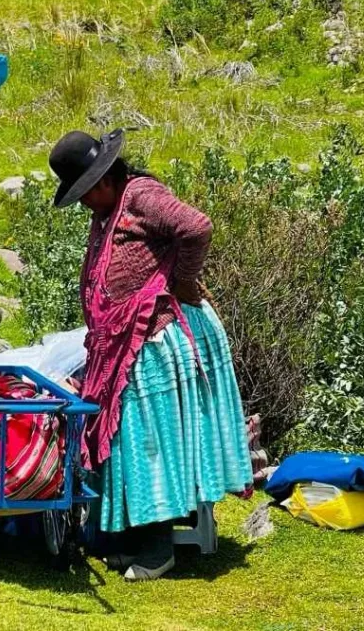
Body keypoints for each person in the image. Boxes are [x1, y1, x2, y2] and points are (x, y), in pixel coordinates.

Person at [48, 129, 252, 582]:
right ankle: (130, 537)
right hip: (125, 343)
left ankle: (158, 548)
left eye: (85, 193)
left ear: (104, 180)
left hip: (159, 337)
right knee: (127, 441)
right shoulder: (109, 210)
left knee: (148, 442)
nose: (84, 203)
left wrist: (180, 280)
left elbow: (197, 227)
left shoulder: (141, 195)